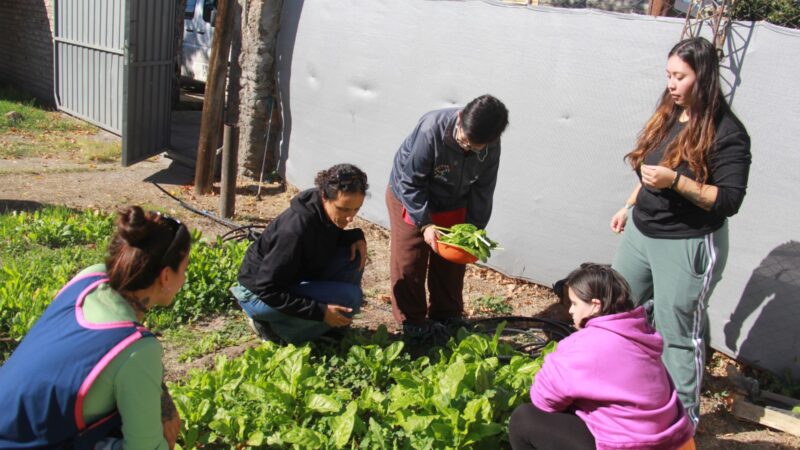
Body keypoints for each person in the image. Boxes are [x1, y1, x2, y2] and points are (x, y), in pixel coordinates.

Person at [609, 37, 751, 426]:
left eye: (680, 77)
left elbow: (728, 201)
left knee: (678, 333)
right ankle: (621, 393)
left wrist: (676, 182)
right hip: (642, 232)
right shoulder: (671, 112)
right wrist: (630, 203)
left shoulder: (728, 133)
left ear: (701, 77)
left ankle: (682, 423)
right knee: (615, 312)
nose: (671, 84)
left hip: (687, 243)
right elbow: (651, 165)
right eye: (668, 75)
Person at [0, 206, 191, 449]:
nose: (184, 279)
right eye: (183, 269)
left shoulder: (90, 279)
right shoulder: (137, 349)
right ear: (165, 276)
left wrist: (162, 400)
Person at [508, 263, 695, 450]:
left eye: (574, 303)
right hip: (674, 440)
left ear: (595, 306)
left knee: (524, 419)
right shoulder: (639, 332)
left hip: (631, 445)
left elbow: (543, 399)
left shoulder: (584, 345)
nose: (571, 311)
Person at [387, 94, 509, 343]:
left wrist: (474, 230)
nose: (468, 148)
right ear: (461, 118)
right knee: (411, 259)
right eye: (465, 141)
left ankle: (447, 313)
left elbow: (484, 189)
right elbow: (411, 181)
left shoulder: (490, 144)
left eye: (476, 147)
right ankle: (413, 322)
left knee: (453, 258)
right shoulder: (431, 129)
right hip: (412, 196)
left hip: (453, 199)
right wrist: (425, 223)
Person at [232, 163, 369, 344]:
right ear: (324, 197)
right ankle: (276, 331)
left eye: (356, 209)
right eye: (343, 209)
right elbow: (267, 288)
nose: (350, 217)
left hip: (287, 281)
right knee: (350, 297)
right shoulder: (294, 230)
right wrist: (319, 311)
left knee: (352, 256)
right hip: (257, 296)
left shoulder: (324, 213)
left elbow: (327, 237)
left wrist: (355, 236)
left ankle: (332, 327)